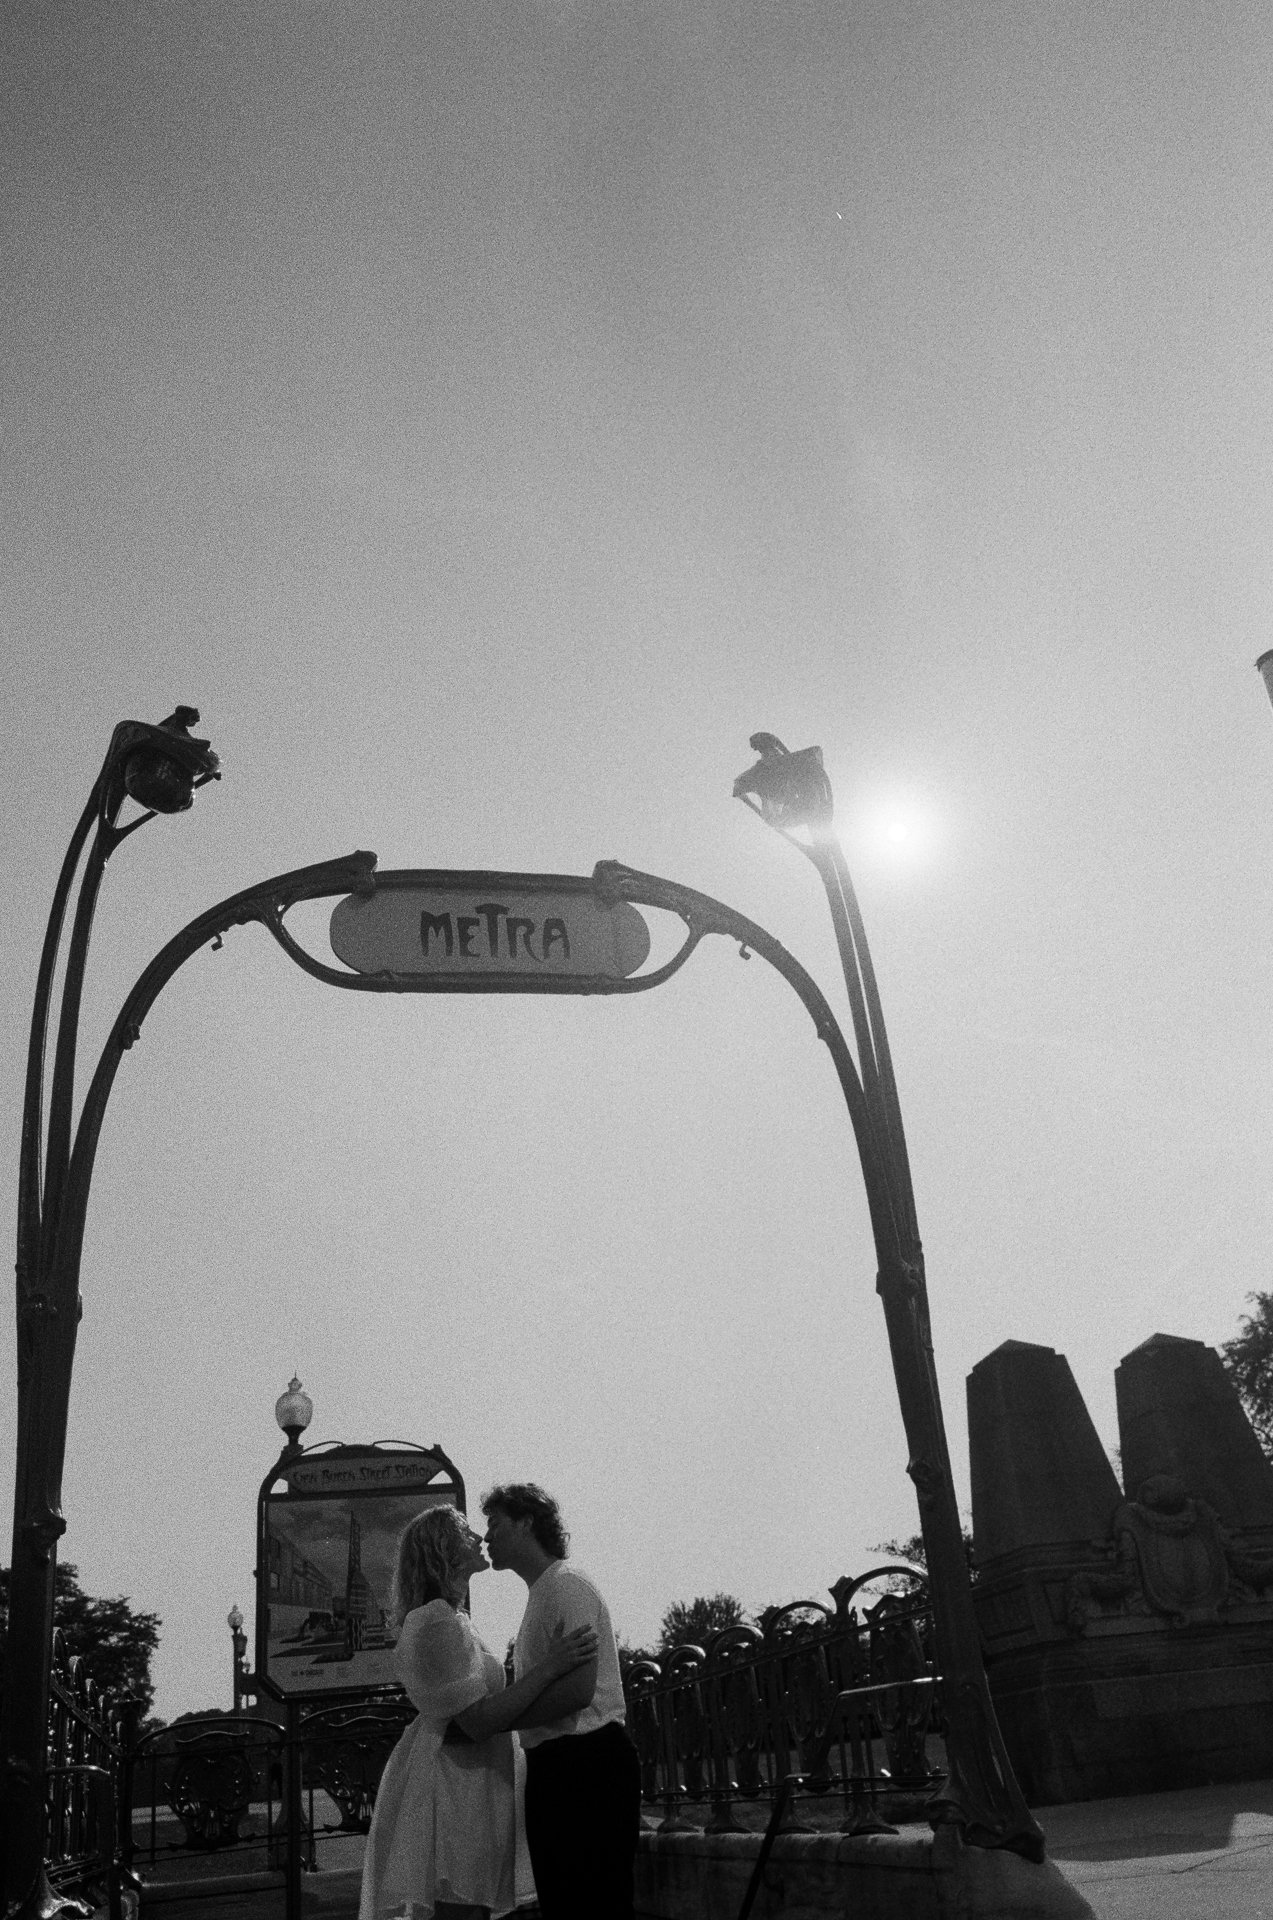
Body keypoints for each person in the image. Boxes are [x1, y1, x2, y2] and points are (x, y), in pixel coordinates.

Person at [359, 1503, 598, 1920]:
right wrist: (550, 1667)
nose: (479, 1539)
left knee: (470, 1910)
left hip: (472, 1784)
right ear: (444, 1549)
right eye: (466, 1533)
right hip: (455, 1787)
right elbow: (478, 1721)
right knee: (461, 1910)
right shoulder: (436, 1621)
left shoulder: (453, 1619)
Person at [481, 1483, 641, 1920]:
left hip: (588, 1763)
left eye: (494, 1523)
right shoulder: (541, 1594)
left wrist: (499, 1717)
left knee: (597, 1904)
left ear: (526, 1521)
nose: (486, 1537)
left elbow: (577, 1692)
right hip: (556, 1765)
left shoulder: (567, 1586)